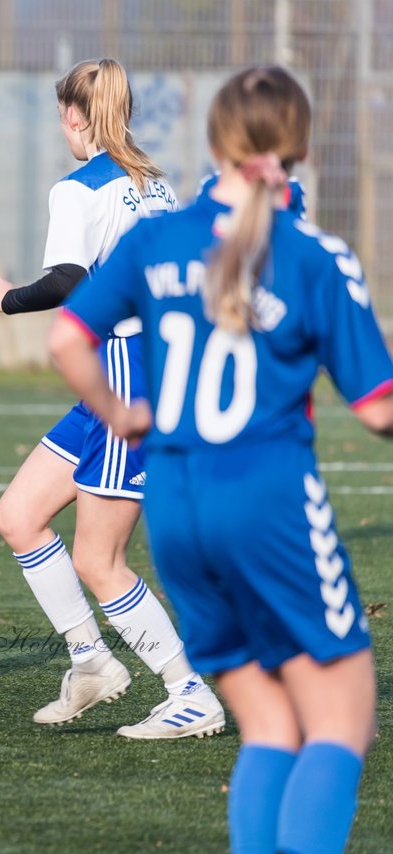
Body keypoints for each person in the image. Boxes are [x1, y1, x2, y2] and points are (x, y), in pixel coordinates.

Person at [49, 64, 393, 854]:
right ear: (299, 146)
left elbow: (68, 336)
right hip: (268, 503)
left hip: (176, 508)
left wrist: (121, 413)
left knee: (269, 725)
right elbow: (375, 407)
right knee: (342, 721)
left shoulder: (156, 239)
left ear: (214, 143)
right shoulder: (311, 253)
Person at [0, 58, 225, 738]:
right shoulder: (155, 185)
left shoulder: (78, 188)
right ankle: (90, 661)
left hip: (128, 377)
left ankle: (189, 690)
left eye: (64, 116)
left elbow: (64, 280)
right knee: (18, 515)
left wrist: (6, 299)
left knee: (97, 559)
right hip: (143, 368)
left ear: (75, 117)